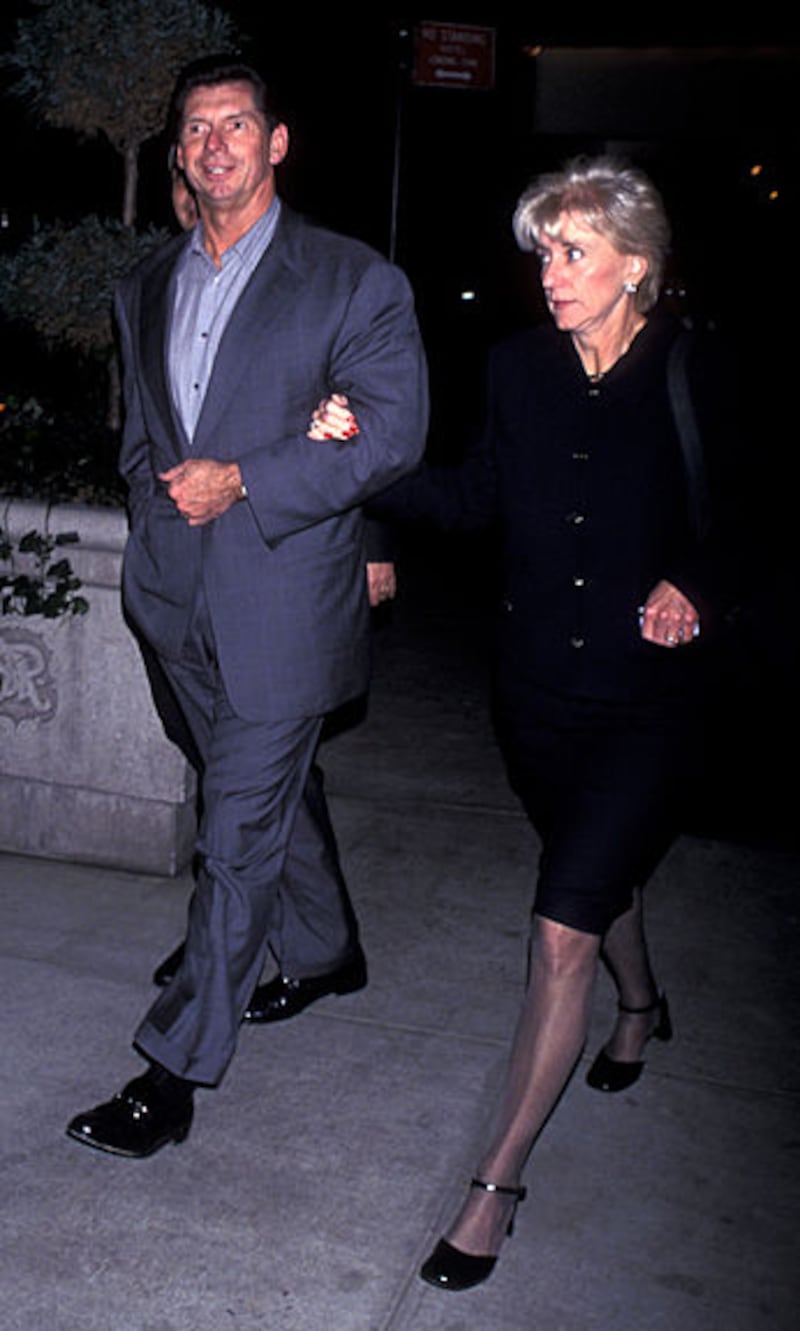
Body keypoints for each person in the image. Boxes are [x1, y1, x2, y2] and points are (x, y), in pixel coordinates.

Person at [313, 156, 734, 1290]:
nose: (549, 272)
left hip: (651, 701)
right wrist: (365, 459)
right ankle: (640, 1000)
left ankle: (494, 1185)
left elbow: (755, 519)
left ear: (633, 266)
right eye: (542, 250)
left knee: (556, 927)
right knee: (591, 881)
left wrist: (695, 580)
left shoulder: (698, 373)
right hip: (536, 693)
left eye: (573, 250)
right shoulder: (513, 370)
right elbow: (472, 499)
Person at [66, 54, 427, 1158]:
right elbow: (146, 442)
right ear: (179, 153)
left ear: (276, 144)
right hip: (172, 601)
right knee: (262, 794)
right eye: (196, 128)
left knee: (232, 839)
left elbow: (390, 429)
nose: (215, 141)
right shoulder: (145, 287)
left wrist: (252, 476)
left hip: (281, 598)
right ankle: (324, 949)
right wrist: (154, 523)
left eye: (237, 123)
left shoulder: (350, 279)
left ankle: (172, 1067)